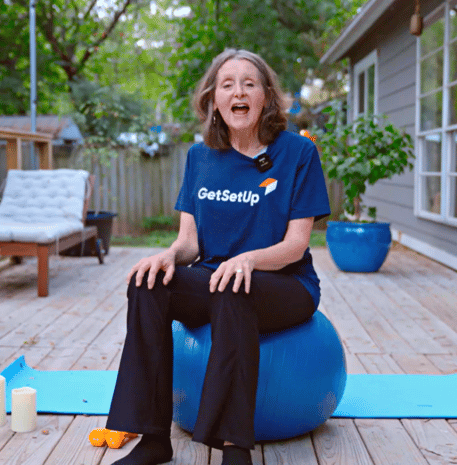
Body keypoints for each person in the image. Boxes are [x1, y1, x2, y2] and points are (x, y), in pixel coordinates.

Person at [105, 49, 330, 465]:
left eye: (249, 83)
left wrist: (248, 260)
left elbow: (297, 244)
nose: (238, 91)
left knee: (234, 290)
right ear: (213, 99)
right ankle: (153, 438)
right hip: (215, 277)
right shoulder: (199, 157)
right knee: (147, 283)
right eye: (227, 84)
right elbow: (189, 240)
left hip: (284, 283)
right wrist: (169, 255)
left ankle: (234, 448)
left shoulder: (297, 153)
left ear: (266, 96)